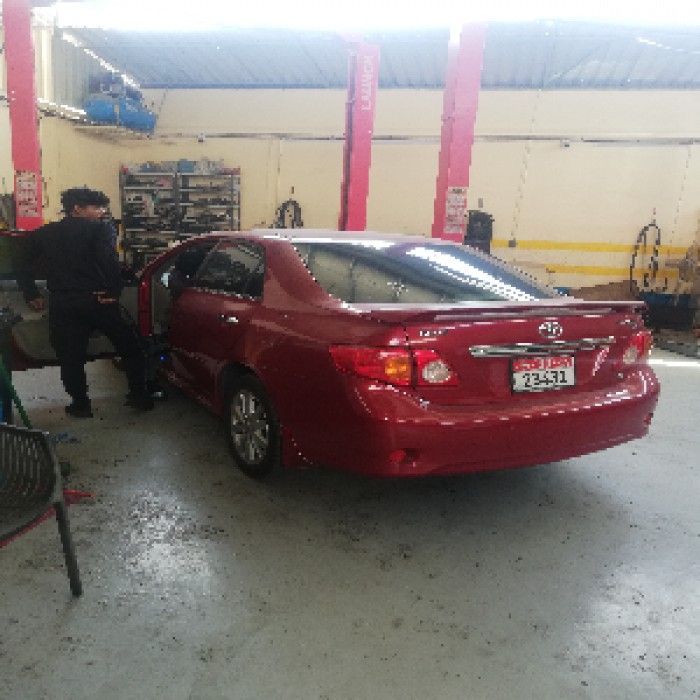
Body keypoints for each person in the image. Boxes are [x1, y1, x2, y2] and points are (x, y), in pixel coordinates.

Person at [16, 187, 154, 417]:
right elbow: (109, 260)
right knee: (131, 348)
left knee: (70, 358)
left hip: (63, 303)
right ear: (77, 208)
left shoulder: (44, 233)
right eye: (96, 207)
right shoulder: (101, 229)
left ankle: (80, 405)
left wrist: (31, 293)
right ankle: (139, 397)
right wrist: (114, 290)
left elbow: (21, 262)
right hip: (98, 300)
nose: (101, 212)